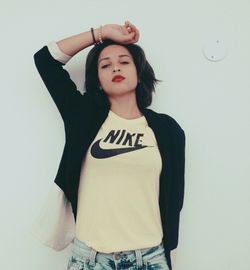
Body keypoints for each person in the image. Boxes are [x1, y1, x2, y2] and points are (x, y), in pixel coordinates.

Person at [33, 21, 186, 270]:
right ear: (99, 81)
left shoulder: (168, 130)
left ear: (139, 73)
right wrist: (102, 33)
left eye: (124, 62)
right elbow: (45, 61)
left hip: (149, 259)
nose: (116, 66)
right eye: (105, 65)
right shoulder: (83, 117)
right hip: (90, 260)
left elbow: (174, 200)